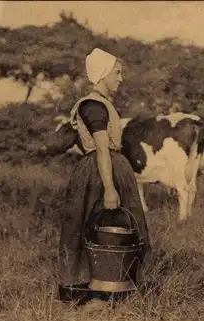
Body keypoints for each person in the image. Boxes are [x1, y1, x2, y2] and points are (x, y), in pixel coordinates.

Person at [57, 48, 151, 304]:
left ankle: (118, 285)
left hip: (112, 166)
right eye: (117, 73)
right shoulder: (92, 106)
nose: (120, 78)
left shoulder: (103, 104)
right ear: (102, 74)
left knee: (120, 228)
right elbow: (101, 148)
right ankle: (89, 292)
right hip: (99, 172)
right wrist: (109, 187)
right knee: (92, 226)